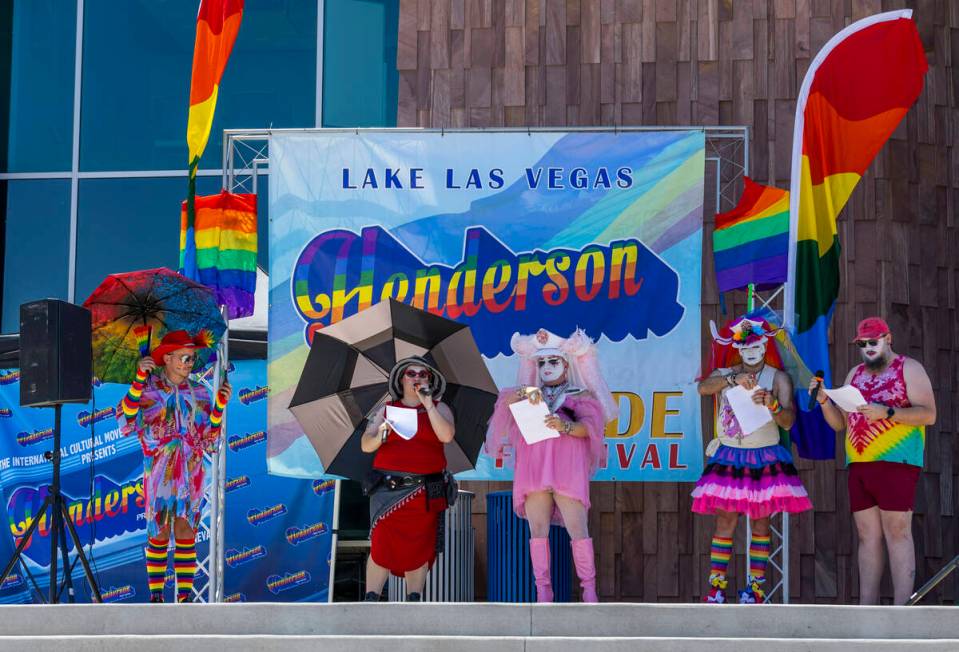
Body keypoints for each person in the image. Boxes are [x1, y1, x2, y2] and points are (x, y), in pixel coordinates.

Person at [809, 317, 936, 604]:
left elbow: (929, 414)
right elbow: (840, 424)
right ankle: (868, 608)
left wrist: (888, 412)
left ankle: (902, 607)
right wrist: (824, 401)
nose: (867, 347)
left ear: (888, 338)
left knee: (897, 530)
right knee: (866, 535)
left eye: (873, 341)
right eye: (862, 343)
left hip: (898, 460)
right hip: (858, 463)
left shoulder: (909, 368)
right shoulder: (854, 373)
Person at [486, 328, 617, 603]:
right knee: (537, 530)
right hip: (534, 470)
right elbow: (503, 406)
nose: (546, 367)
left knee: (578, 529)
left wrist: (565, 425)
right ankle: (543, 591)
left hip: (567, 470)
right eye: (541, 362)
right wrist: (523, 392)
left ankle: (588, 590)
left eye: (553, 361)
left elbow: (592, 427)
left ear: (567, 365)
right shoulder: (529, 395)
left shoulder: (579, 395)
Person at [692, 316, 812, 604]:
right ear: (737, 347)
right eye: (744, 346)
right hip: (730, 455)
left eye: (755, 345)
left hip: (764, 457)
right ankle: (716, 589)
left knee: (760, 522)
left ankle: (756, 590)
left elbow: (787, 421)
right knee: (725, 520)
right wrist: (733, 379)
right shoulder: (725, 372)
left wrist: (771, 403)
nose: (750, 351)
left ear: (764, 344)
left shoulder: (778, 378)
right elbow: (702, 387)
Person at [117, 329, 231, 603]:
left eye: (192, 358)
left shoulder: (201, 392)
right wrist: (138, 380)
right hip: (160, 469)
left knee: (186, 529)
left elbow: (209, 439)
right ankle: (156, 596)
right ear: (166, 358)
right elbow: (125, 421)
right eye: (184, 357)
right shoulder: (149, 389)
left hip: (191, 470)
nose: (189, 363)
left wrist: (218, 408)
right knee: (159, 529)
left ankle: (184, 598)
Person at [360, 356, 456, 602]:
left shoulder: (440, 408)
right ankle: (371, 599)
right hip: (388, 491)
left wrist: (429, 405)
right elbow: (366, 446)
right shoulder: (385, 410)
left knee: (419, 546)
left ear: (430, 380)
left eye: (422, 374)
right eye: (411, 374)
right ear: (401, 379)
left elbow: (446, 436)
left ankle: (414, 599)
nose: (416, 378)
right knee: (381, 544)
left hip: (425, 491)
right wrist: (382, 432)